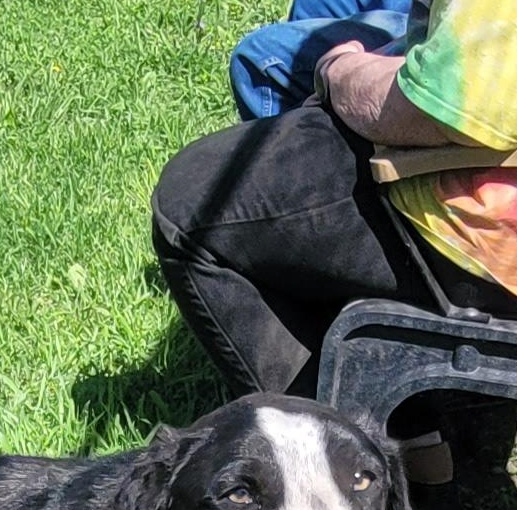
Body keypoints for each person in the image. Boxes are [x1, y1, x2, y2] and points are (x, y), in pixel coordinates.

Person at [152, 0, 517, 407]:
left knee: (189, 204)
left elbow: (439, 106)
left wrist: (339, 71)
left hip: (479, 232)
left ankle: (339, 447)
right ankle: (411, 424)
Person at [230, 0, 412, 121]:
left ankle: (301, 159)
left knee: (261, 58)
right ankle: (312, 126)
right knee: (315, 6)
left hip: (430, 30)